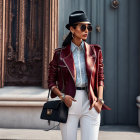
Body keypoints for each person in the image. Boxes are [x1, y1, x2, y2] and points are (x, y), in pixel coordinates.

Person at [48, 10, 111, 140]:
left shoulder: (95, 51)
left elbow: (100, 77)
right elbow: (51, 82)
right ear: (72, 29)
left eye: (88, 27)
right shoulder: (59, 54)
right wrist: (62, 96)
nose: (86, 30)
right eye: (83, 27)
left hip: (90, 104)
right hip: (69, 104)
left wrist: (100, 100)